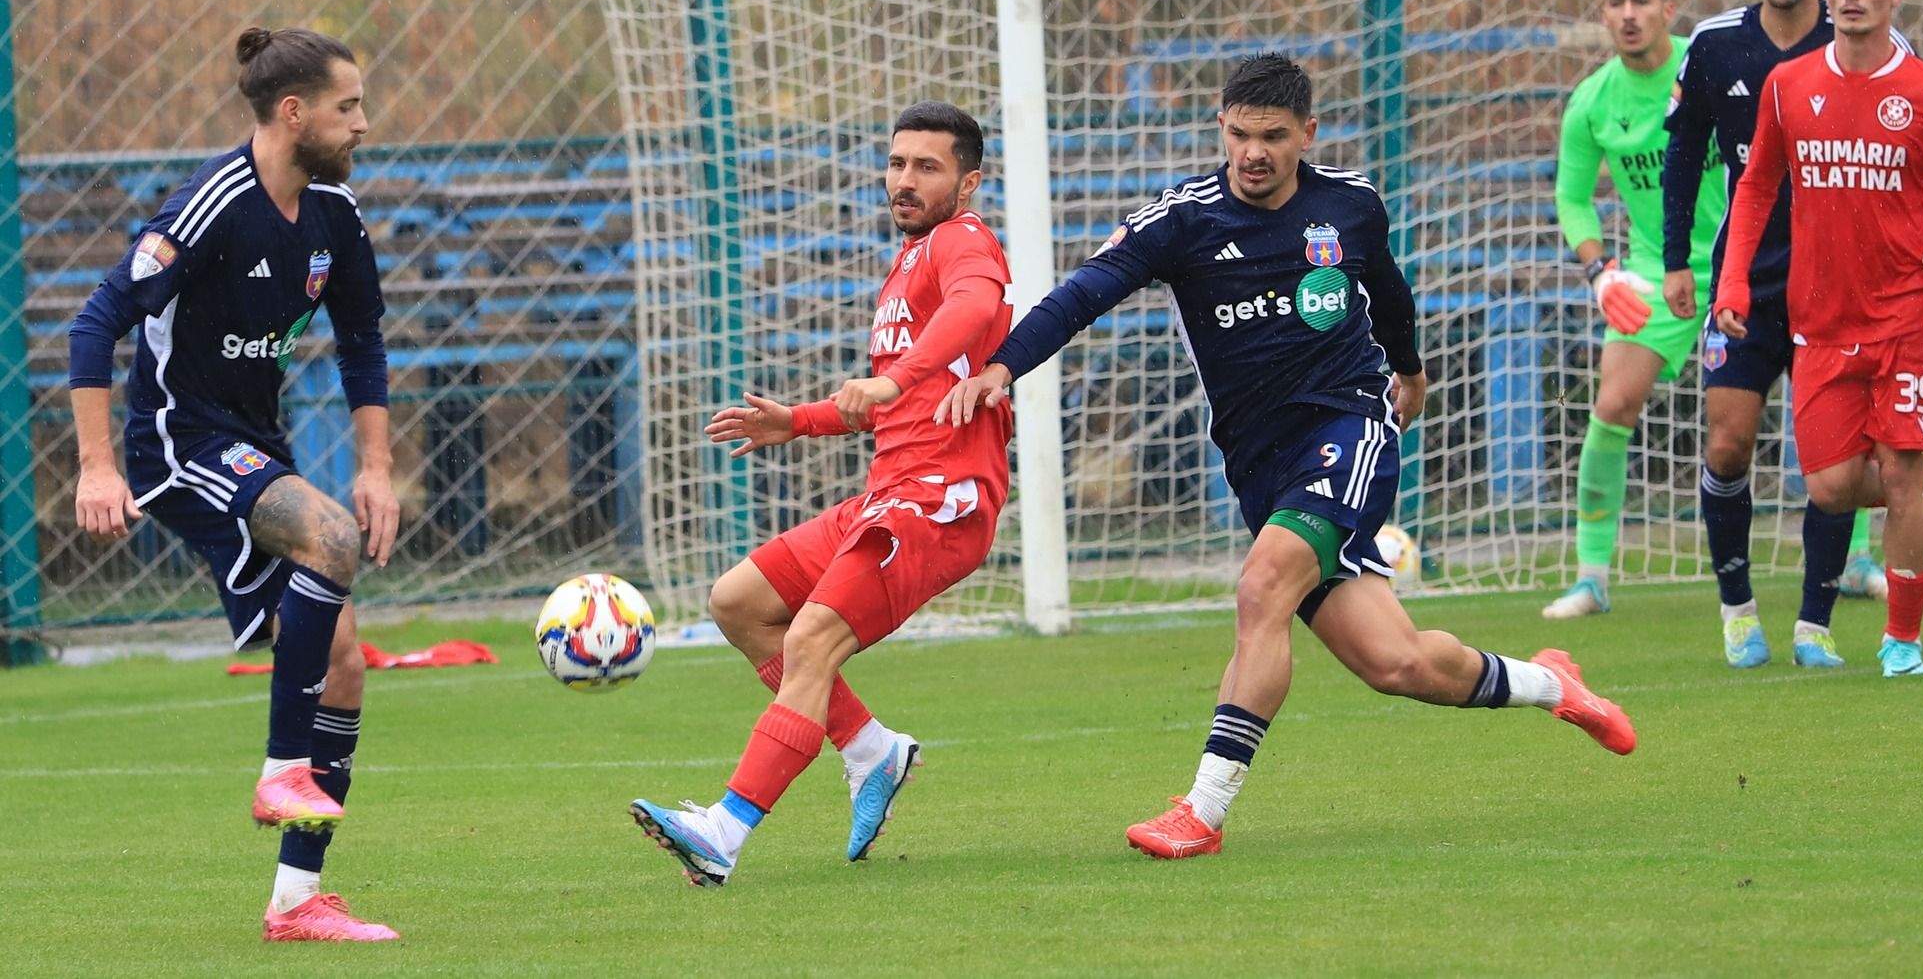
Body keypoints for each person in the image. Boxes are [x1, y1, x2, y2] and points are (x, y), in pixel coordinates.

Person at [938, 54, 1635, 862]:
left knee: (1262, 585)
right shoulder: (1182, 220)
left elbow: (1392, 294)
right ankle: (1555, 683)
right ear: (1220, 128)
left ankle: (1201, 811)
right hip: (1261, 464)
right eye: (1238, 135)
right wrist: (1001, 367)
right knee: (1395, 663)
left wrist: (1408, 373)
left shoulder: (1350, 207)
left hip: (1350, 424)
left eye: (1272, 136)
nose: (1253, 153)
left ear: (1308, 133)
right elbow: (1082, 294)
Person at [68, 27, 400, 942]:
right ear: (293, 112)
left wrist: (378, 468)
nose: (363, 124)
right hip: (179, 446)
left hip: (255, 445)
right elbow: (95, 326)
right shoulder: (212, 203)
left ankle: (297, 902)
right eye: (348, 107)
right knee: (329, 538)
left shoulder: (334, 212)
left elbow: (364, 342)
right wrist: (96, 466)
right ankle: (280, 766)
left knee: (343, 665)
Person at [629, 102, 1014, 888]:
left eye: (927, 167)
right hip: (888, 491)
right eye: (898, 163)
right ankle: (873, 751)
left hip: (941, 499)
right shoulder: (907, 263)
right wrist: (798, 422)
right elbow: (887, 402)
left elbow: (974, 310)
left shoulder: (964, 241)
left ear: (968, 183)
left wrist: (895, 375)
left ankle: (723, 833)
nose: (905, 181)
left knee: (809, 641)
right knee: (738, 602)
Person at [1714, 0, 1923, 678]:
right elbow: (1756, 188)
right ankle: (1917, 498)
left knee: (1900, 470)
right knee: (1832, 486)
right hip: (1822, 320)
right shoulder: (1789, 84)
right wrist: (1734, 282)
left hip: (1909, 312)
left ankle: (1901, 641)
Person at [1662, 0, 1902, 669]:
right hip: (1749, 280)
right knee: (1729, 443)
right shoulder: (1716, 46)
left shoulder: (1869, 46)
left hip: (1844, 288)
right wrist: (1677, 261)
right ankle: (1738, 611)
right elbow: (1684, 153)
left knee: (1831, 466)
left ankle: (1814, 624)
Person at [1544, 0, 1723, 619]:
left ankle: (1854, 558)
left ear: (1667, 9)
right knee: (1613, 403)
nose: (1628, 13)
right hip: (1656, 271)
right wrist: (1601, 273)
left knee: (1814, 403)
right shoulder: (1592, 100)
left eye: (1640, 1)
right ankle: (1591, 577)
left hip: (1746, 263)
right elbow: (1572, 199)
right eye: (1615, 2)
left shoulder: (1707, 67)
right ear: (1603, 14)